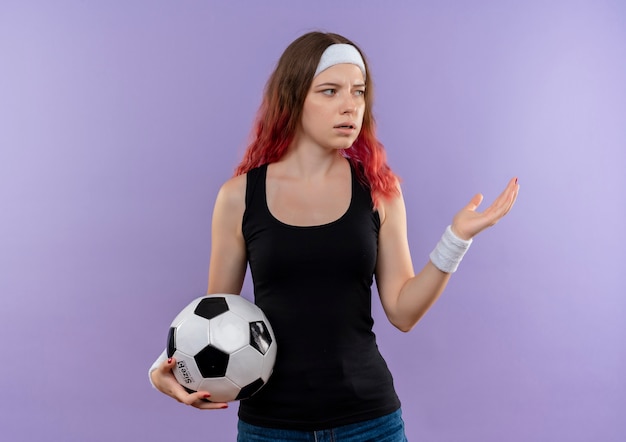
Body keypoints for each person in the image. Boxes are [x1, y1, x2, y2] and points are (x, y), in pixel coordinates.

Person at [149, 31, 519, 441]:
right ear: (293, 98)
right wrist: (161, 369)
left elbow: (403, 312)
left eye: (358, 93)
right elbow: (217, 318)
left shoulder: (380, 191)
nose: (350, 106)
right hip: (271, 428)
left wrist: (456, 239)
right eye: (330, 91)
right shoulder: (238, 197)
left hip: (370, 422)